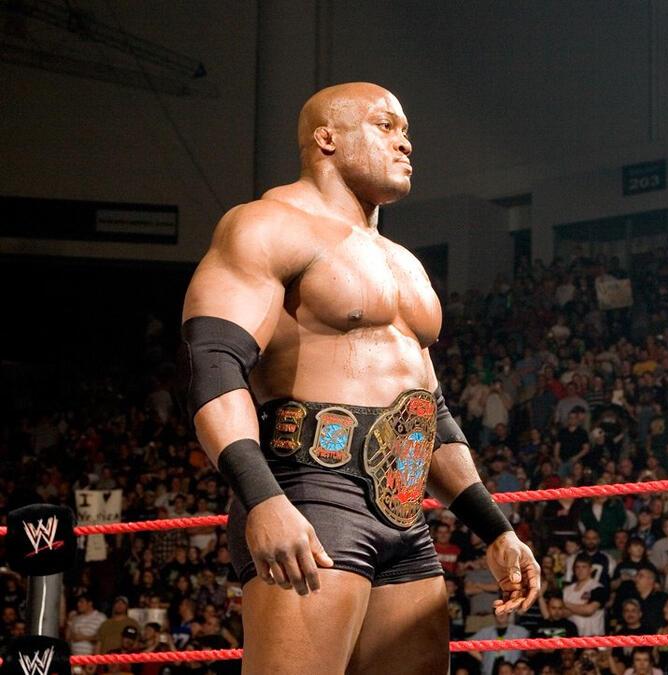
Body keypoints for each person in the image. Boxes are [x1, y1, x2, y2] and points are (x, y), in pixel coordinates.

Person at [180, 82, 538, 674]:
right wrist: (263, 498)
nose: (406, 143)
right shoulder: (265, 226)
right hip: (309, 489)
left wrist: (494, 528)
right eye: (386, 126)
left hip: (403, 505)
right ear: (327, 139)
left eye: (406, 131)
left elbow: (431, 411)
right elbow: (213, 365)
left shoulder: (404, 263)